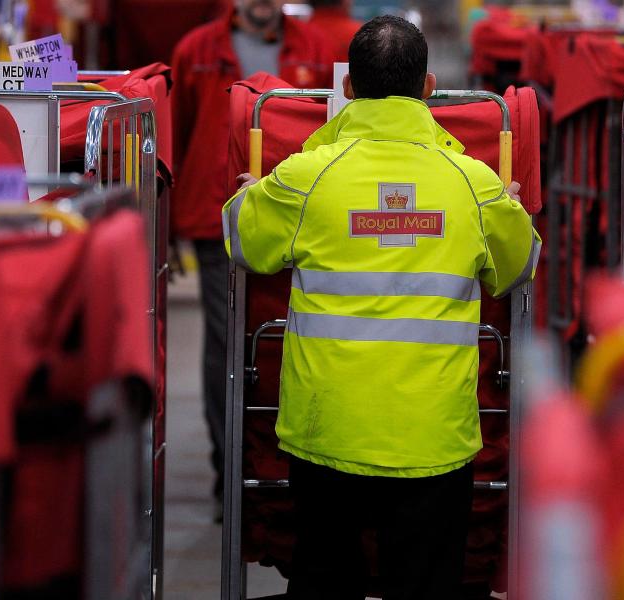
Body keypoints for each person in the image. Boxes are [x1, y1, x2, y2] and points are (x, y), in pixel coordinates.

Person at [223, 15, 539, 599]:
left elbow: (244, 245)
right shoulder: (477, 184)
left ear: (348, 89)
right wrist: (511, 209)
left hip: (327, 430)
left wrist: (249, 193)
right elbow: (518, 268)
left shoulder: (302, 178)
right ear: (428, 87)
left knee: (324, 581)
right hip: (434, 437)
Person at [170, 0, 333, 518]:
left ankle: (281, 467)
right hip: (212, 215)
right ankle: (230, 472)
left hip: (298, 213)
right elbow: (176, 135)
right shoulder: (195, 51)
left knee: (289, 339)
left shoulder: (314, 47)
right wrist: (170, 220)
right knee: (225, 342)